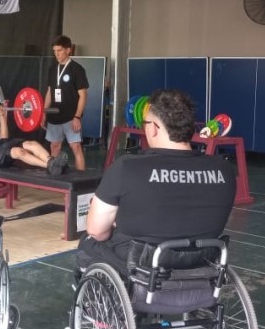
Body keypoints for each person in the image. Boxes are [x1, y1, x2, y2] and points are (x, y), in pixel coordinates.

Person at [78, 89, 236, 276]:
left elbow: (97, 231)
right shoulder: (224, 170)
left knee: (88, 242)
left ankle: (88, 305)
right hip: (200, 265)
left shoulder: (127, 167)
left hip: (141, 268)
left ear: (152, 127)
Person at [42, 35, 88, 170]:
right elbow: (49, 92)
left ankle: (82, 181)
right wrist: (44, 112)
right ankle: (54, 178)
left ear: (68, 50)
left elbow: (83, 95)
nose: (56, 54)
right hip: (54, 116)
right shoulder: (52, 69)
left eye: (60, 50)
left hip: (71, 117)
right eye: (54, 51)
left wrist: (77, 117)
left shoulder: (77, 69)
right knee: (54, 146)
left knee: (76, 147)